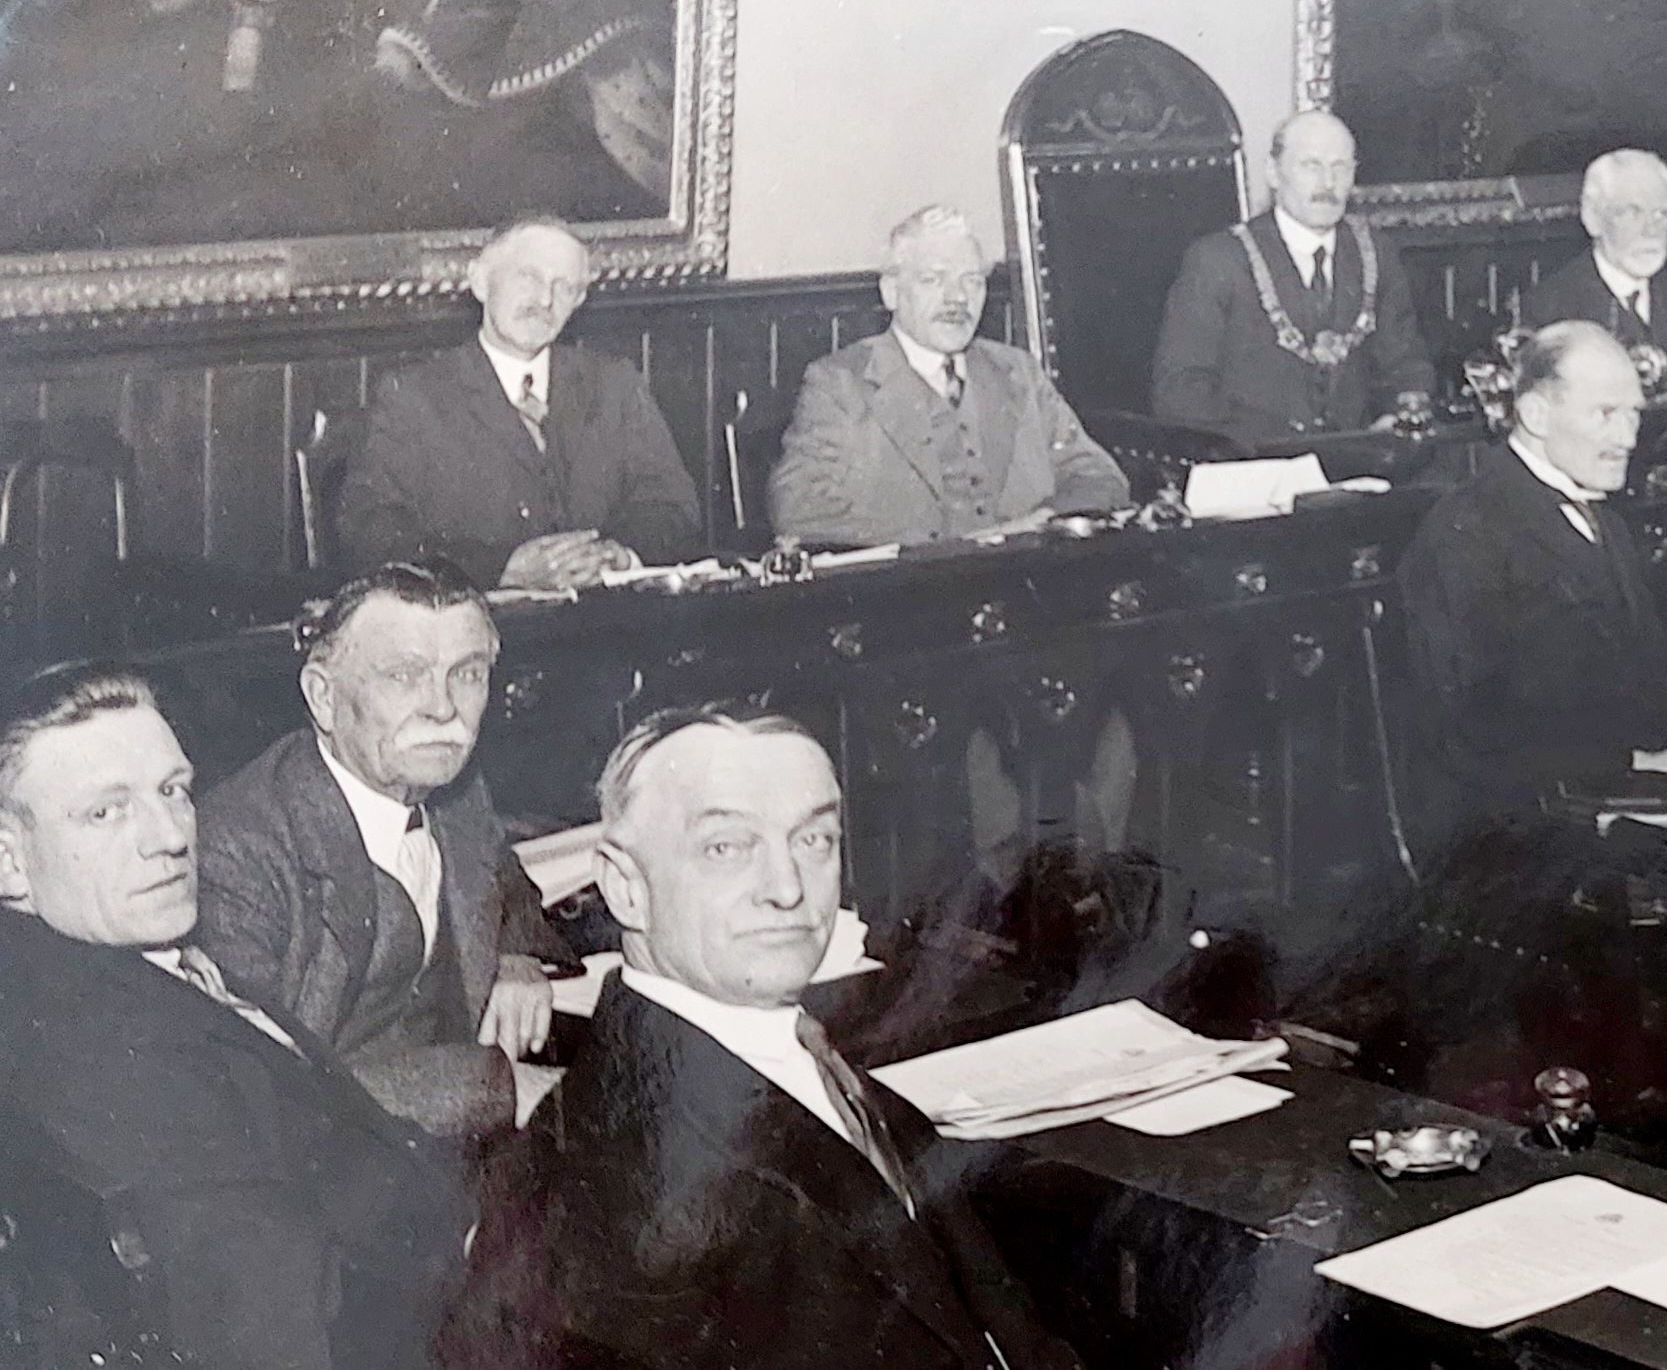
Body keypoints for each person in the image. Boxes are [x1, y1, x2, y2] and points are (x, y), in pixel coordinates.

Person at [447, 704, 1081, 1370]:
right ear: (626, 888)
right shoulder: (617, 1172)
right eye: (727, 847)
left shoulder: (801, 1058)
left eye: (814, 841)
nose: (788, 888)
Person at [0, 662, 463, 1370]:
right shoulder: (98, 1052)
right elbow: (265, 1311)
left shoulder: (122, 958)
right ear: (9, 860)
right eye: (105, 811)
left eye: (173, 791)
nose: (170, 835)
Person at [194, 562, 561, 1141]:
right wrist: (498, 1087)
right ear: (323, 696)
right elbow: (273, 1093)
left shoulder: (452, 790)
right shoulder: (237, 852)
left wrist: (515, 958)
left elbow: (505, 882)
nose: (442, 709)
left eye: (466, 674)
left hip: (447, 1146)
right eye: (403, 676)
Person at [1398, 321, 1667, 842]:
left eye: (1633, 415)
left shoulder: (1606, 520)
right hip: (1508, 831)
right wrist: (1630, 764)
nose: (1627, 438)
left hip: (1606, 795)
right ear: (1535, 413)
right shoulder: (1464, 531)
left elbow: (1649, 651)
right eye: (1605, 414)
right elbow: (1468, 732)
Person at [336, 217, 703, 588]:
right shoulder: (413, 395)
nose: (545, 300)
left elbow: (674, 505)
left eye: (564, 287)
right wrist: (502, 569)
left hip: (605, 623)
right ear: (479, 281)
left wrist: (619, 553)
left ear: (579, 301)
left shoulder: (614, 384)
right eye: (528, 277)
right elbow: (370, 530)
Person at [770, 206, 1129, 546]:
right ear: (892, 292)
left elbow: (1099, 477)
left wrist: (1041, 524)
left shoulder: (1017, 372)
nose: (957, 298)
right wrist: (944, 550)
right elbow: (798, 507)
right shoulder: (840, 384)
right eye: (933, 279)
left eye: (972, 281)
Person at [1147, 110, 1434, 443]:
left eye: (1340, 167)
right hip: (1254, 466)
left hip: (1360, 467)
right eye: (1311, 166)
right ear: (1273, 172)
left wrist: (1394, 418)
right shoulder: (1218, 260)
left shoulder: (1375, 253)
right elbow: (1180, 393)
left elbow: (1406, 365)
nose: (1328, 184)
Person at [1515, 148, 1667, 356]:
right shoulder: (1551, 308)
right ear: (1592, 218)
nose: (1651, 230)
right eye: (1632, 212)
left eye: (1662, 213)